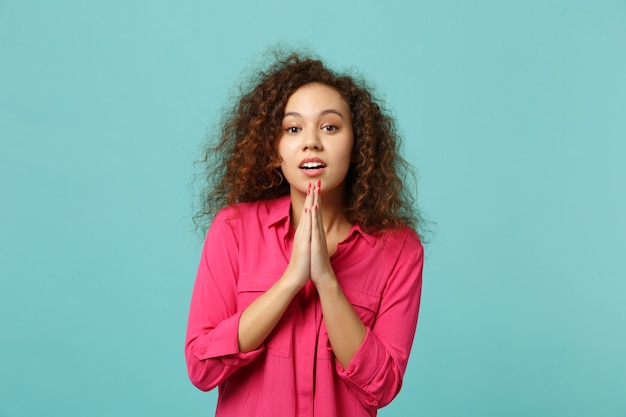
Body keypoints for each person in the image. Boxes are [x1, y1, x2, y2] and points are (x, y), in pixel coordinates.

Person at [185, 50, 424, 417]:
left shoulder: (398, 250)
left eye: (330, 126)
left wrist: (326, 280)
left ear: (357, 145)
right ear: (274, 148)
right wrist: (289, 283)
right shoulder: (234, 228)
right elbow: (202, 368)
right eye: (293, 128)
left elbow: (382, 386)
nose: (311, 141)